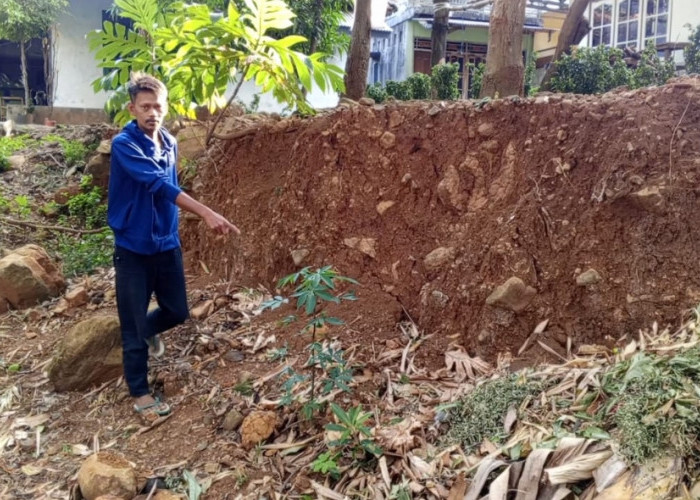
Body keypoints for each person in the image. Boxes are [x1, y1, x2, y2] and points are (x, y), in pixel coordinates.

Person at [108, 72, 240, 421]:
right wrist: (205, 212)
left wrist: (179, 225)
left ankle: (144, 332)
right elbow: (156, 185)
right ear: (132, 108)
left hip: (166, 244)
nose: (152, 112)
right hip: (133, 249)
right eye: (145, 106)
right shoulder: (124, 145)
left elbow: (170, 188)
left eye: (158, 106)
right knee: (132, 326)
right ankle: (139, 393)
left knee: (177, 311)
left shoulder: (169, 142)